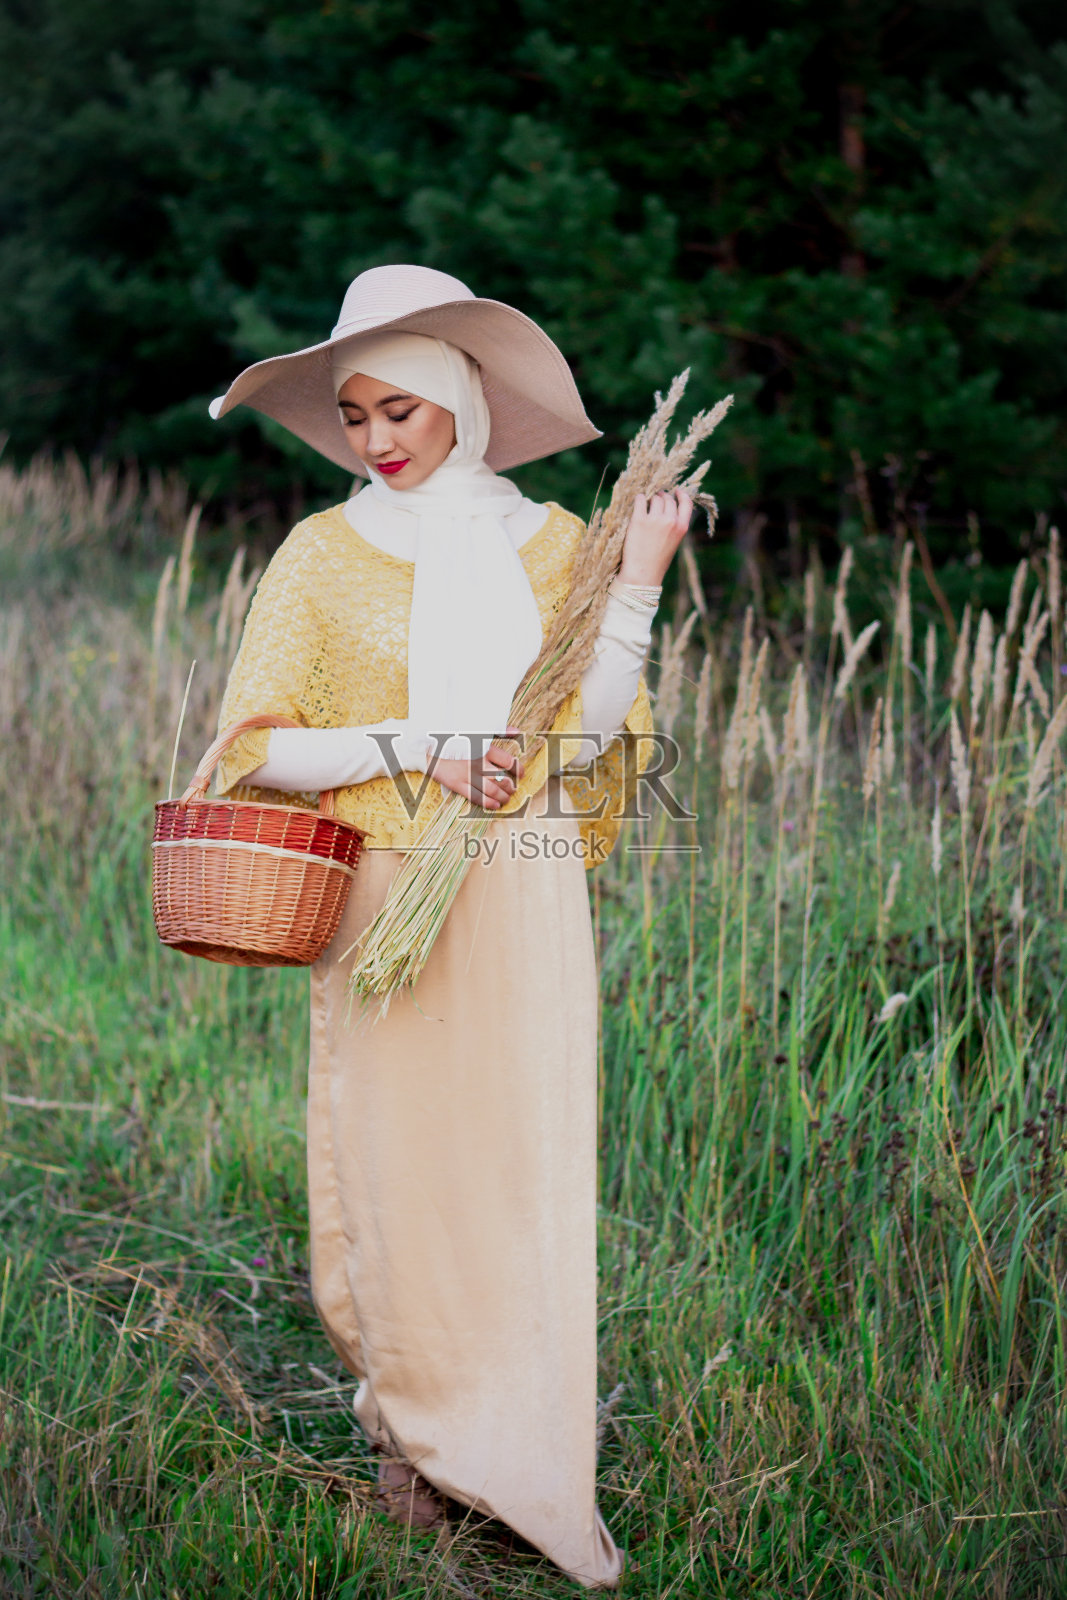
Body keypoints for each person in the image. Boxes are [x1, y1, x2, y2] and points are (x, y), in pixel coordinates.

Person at [209, 265, 692, 1589]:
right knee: (396, 1167)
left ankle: (521, 1450)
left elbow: (588, 734)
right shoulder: (322, 552)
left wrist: (636, 575)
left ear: (463, 406)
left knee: (518, 1170)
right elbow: (256, 749)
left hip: (525, 889)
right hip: (383, 894)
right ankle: (413, 1438)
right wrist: (421, 744)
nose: (374, 440)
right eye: (356, 415)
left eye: (400, 412)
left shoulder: (551, 542)